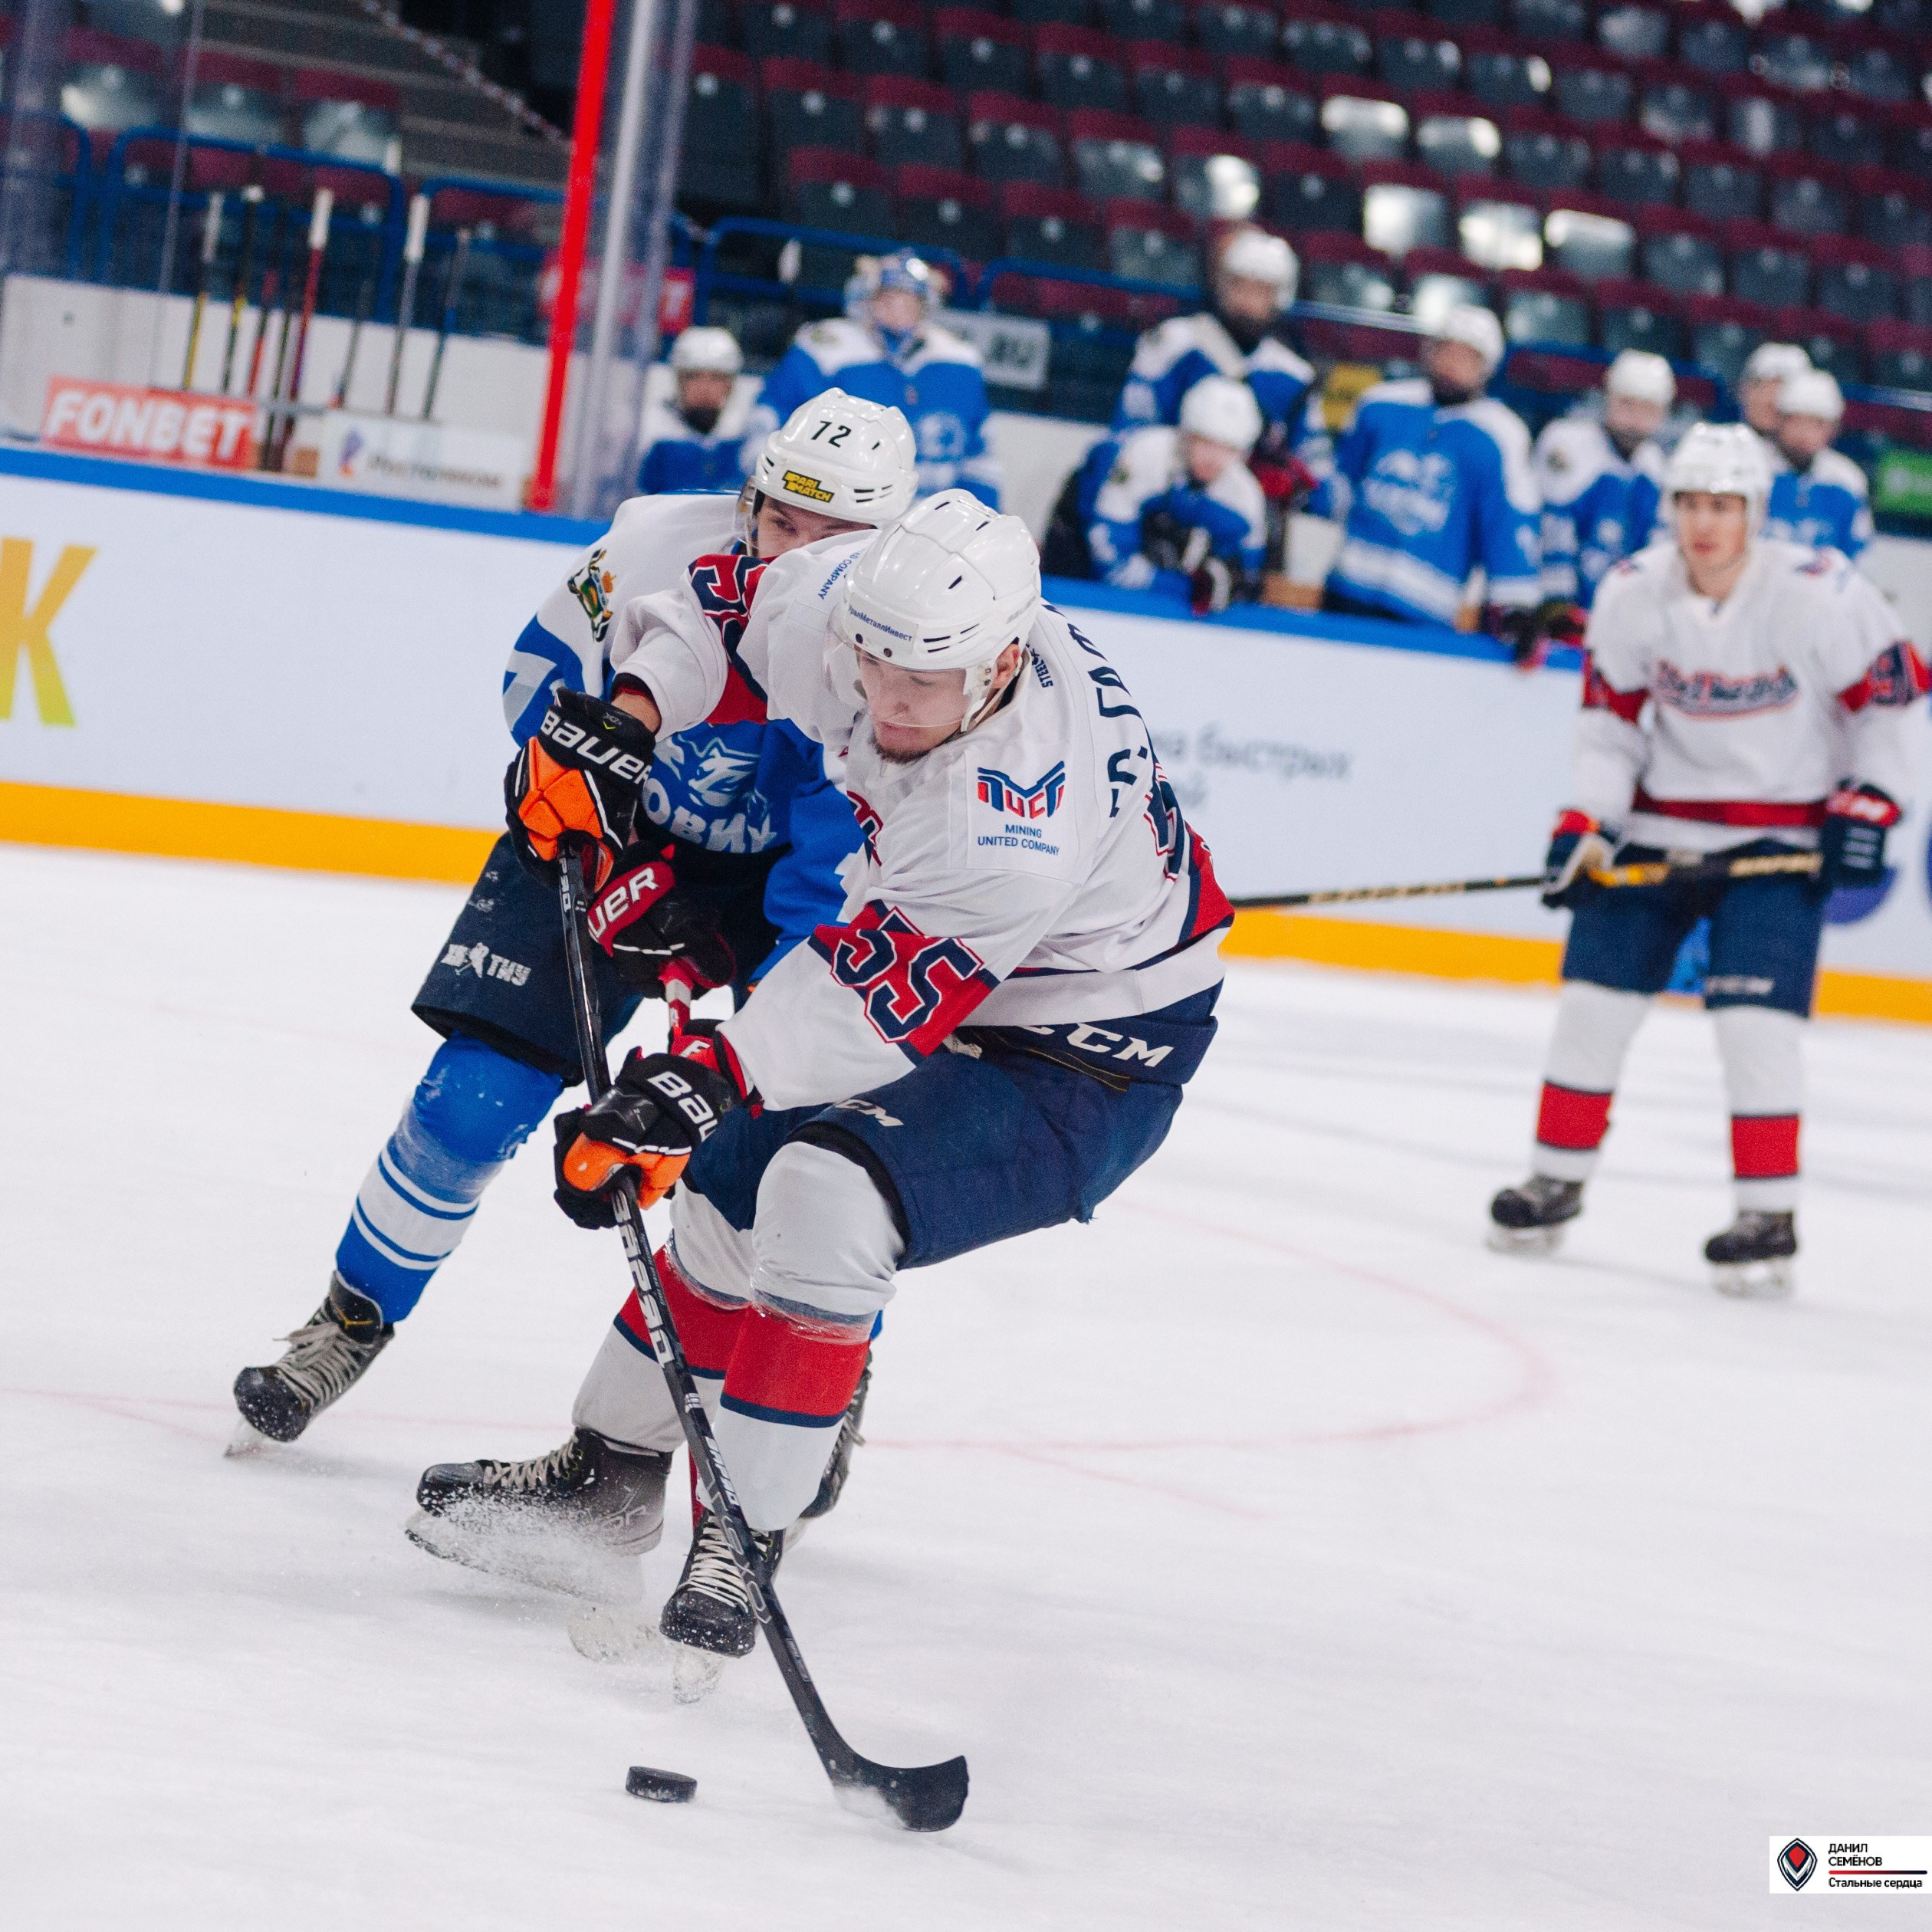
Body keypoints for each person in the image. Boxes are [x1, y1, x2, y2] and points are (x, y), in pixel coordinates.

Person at [411, 490, 1231, 1685]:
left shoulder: (1012, 822)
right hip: (947, 957)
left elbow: (867, 1005)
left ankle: (745, 1537)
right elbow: (717, 614)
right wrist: (625, 723)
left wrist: (696, 1080)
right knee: (728, 1186)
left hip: (1088, 1047)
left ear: (1001, 663)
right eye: (876, 666)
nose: (888, 702)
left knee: (827, 1194)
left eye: (924, 684)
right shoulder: (858, 605)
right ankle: (606, 1485)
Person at [232, 392, 919, 1490]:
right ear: (748, 502)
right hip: (613, 824)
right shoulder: (656, 546)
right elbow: (535, 684)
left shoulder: (898, 643)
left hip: (774, 887)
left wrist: (746, 1028)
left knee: (805, 1155)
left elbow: (838, 872)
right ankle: (348, 1321)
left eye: (832, 539)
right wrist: (594, 814)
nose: (795, 555)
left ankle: (827, 1388)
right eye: (781, 521)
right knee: (470, 1103)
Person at [1487, 423, 1927, 1296]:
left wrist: (1871, 799)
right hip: (1659, 831)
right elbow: (1609, 727)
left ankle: (1768, 1217)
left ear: (1755, 512)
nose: (1705, 524)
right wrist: (1588, 819)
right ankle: (1554, 1182)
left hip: (1781, 842)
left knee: (1755, 1030)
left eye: (1724, 506)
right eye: (1691, 503)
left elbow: (1894, 702)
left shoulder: (1821, 594)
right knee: (1590, 1007)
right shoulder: (1630, 592)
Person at [1312, 304, 1543, 648]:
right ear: (1429, 352)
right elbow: (1341, 487)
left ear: (1487, 369)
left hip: (1426, 611)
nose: (1452, 366)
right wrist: (1308, 490)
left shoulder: (1501, 436)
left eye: (1467, 358)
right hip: (1347, 588)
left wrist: (1516, 607)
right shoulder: (1380, 404)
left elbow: (1507, 525)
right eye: (1446, 351)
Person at [743, 251, 1000, 506]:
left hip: (930, 520)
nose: (899, 308)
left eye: (910, 299)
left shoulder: (960, 362)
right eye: (889, 297)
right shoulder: (823, 350)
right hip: (838, 514)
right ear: (865, 299)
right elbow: (767, 429)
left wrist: (978, 520)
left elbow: (980, 457)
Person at [1112, 226, 1324, 495]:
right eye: (1240, 286)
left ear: (1281, 297)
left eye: (1262, 290)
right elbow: (1131, 426)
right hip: (1162, 490)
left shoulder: (1295, 376)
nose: (1249, 301)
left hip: (1242, 507)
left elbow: (1313, 466)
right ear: (1223, 285)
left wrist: (1287, 485)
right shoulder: (1174, 343)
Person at [1081, 376, 1268, 613]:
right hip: (1093, 588)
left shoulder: (1246, 497)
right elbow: (1108, 560)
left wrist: (1222, 583)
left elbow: (1247, 582)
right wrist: (1185, 588)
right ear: (1187, 433)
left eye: (1229, 448)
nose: (1215, 458)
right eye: (1207, 442)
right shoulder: (1144, 454)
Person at [1534, 349, 1674, 613]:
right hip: (1558, 609)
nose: (1636, 420)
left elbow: (1657, 552)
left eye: (1648, 409)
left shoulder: (1658, 469)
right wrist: (1557, 604)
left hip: (1619, 617)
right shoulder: (1567, 442)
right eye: (1627, 405)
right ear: (1609, 398)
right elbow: (1553, 529)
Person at [1763, 369, 1872, 560]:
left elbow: (1858, 552)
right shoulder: (1754, 469)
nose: (1804, 433)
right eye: (1796, 421)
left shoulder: (1847, 481)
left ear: (1834, 428)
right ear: (1779, 420)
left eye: (1816, 424)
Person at [635, 327, 751, 495]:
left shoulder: (742, 436)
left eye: (716, 377)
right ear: (679, 381)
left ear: (730, 385)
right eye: (693, 376)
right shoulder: (648, 433)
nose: (705, 388)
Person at [1737, 340, 1810, 456]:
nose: (1771, 400)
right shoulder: (1722, 450)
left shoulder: (1836, 471)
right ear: (1744, 391)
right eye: (1762, 387)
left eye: (1784, 391)